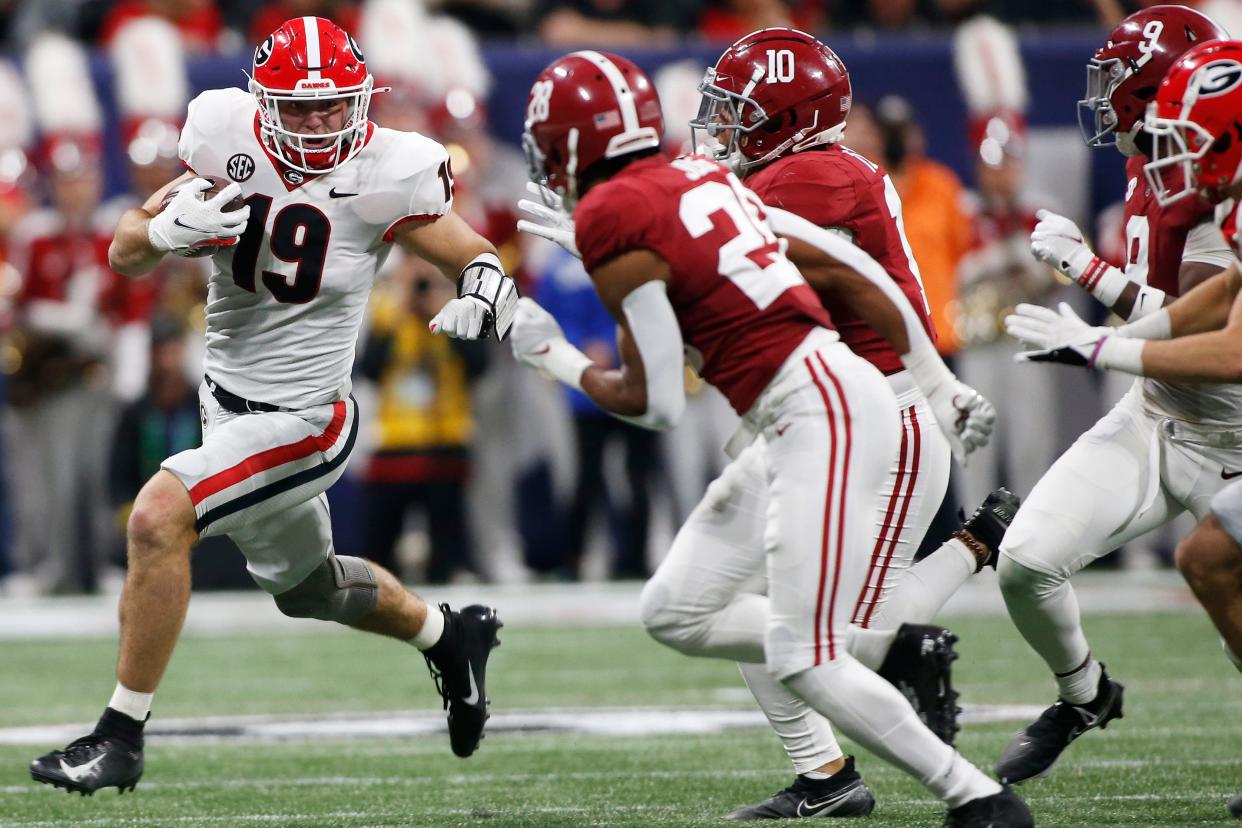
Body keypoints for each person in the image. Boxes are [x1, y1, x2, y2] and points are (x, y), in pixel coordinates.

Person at [511, 49, 1030, 827]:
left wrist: (548, 348)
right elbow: (837, 282)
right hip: (815, 408)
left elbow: (659, 399)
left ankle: (973, 793)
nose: (720, 126)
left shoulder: (784, 179)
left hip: (849, 412)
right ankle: (841, 747)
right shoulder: (709, 182)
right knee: (683, 609)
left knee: (813, 646)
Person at [29, 16, 517, 796]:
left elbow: (472, 253)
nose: (321, 124)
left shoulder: (392, 168)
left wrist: (486, 291)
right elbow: (123, 248)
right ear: (262, 104)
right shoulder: (224, 136)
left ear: (362, 101)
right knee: (309, 591)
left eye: (335, 107)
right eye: (299, 108)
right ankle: (448, 635)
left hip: (306, 422)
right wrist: (161, 230)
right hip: (223, 407)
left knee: (159, 516)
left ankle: (120, 735)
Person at [673, 29, 1021, 818]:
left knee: (833, 641)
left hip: (880, 425)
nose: (721, 126)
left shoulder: (814, 176)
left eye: (739, 112)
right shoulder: (799, 170)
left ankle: (933, 618)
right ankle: (827, 777)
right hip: (826, 419)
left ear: (789, 119)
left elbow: (735, 288)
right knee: (751, 606)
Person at [987, 5, 1238, 786]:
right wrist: (1104, 326)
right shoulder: (1163, 163)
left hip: (1233, 443)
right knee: (1026, 561)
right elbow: (1196, 309)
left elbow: (1225, 349)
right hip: (1155, 412)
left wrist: (1097, 311)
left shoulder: (1211, 186)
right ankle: (1084, 694)